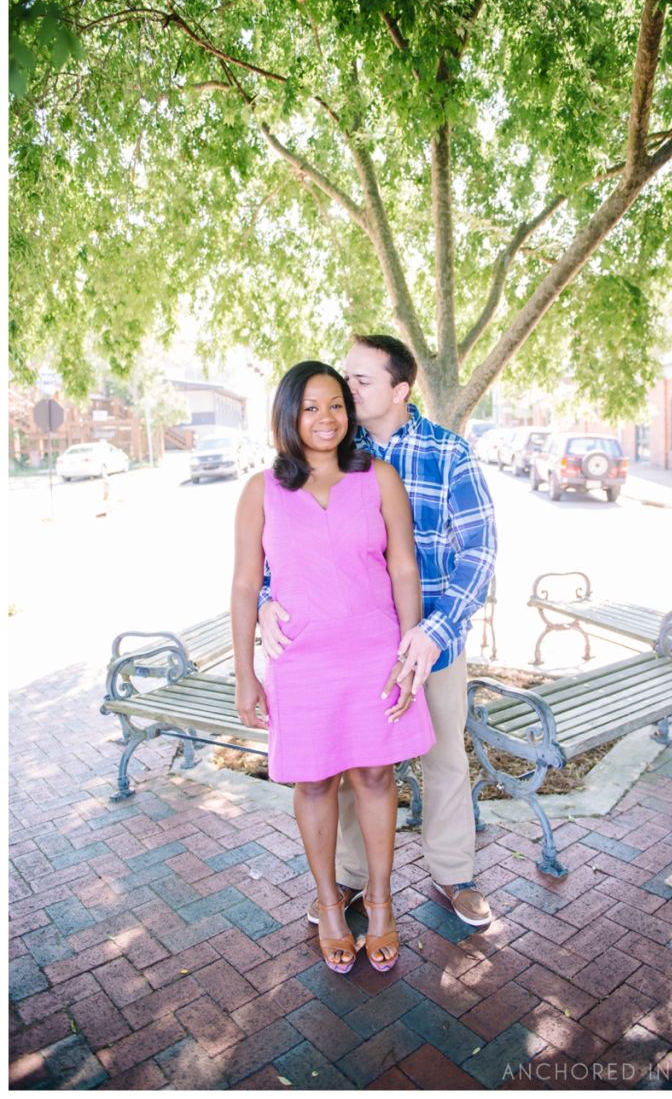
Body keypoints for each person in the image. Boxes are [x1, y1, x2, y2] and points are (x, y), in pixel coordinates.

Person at [259, 336, 498, 928]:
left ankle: (453, 875)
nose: (346, 392)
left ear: (399, 389)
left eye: (360, 381)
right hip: (352, 650)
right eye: (346, 380)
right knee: (345, 765)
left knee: (444, 759)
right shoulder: (337, 451)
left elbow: (480, 552)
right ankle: (351, 880)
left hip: (433, 644)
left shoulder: (450, 453)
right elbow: (286, 547)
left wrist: (434, 631)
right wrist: (266, 601)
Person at [232, 360, 435, 975]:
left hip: (374, 654)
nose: (326, 419)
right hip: (301, 665)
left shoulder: (378, 476)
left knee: (376, 778)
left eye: (337, 406)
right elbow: (245, 585)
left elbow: (404, 568)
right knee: (314, 783)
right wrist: (245, 673)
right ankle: (327, 904)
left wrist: (409, 653)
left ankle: (379, 903)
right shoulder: (260, 489)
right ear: (288, 415)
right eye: (311, 407)